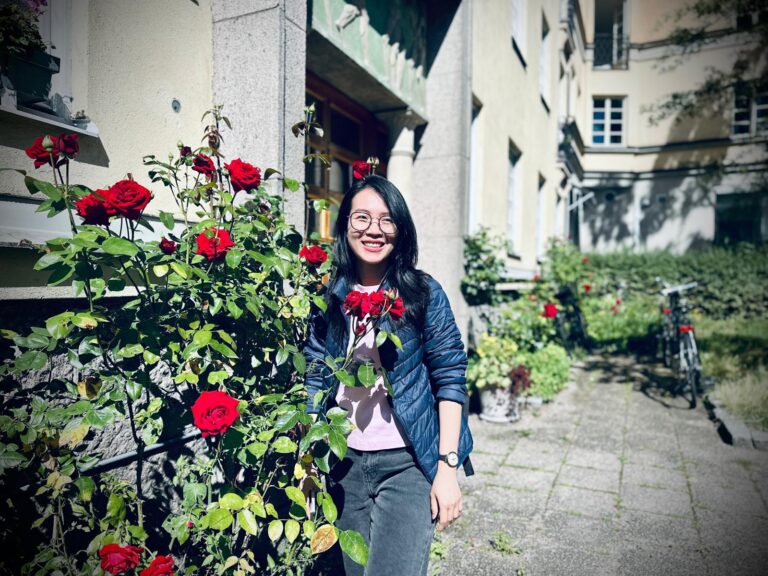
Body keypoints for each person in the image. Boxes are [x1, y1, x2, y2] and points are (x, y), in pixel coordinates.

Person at [303, 174, 474, 576]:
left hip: (406, 465)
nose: (373, 230)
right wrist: (309, 462)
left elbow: (451, 378)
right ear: (345, 225)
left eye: (386, 220)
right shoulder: (328, 295)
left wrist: (446, 471)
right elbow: (313, 375)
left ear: (401, 229)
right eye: (361, 217)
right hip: (342, 464)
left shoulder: (422, 293)